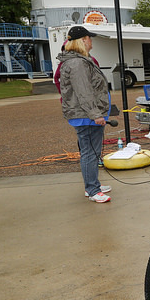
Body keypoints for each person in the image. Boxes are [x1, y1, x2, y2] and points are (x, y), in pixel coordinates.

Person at [57, 25, 112, 203]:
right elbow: (84, 92)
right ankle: (92, 189)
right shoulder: (78, 63)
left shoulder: (79, 60)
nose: (92, 43)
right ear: (83, 40)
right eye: (90, 39)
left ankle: (92, 184)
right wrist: (96, 114)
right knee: (90, 152)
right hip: (86, 116)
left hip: (85, 115)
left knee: (92, 151)